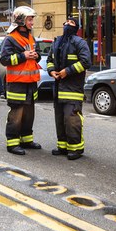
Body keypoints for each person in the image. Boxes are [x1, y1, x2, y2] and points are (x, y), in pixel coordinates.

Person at [47, 16, 91, 160]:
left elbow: (86, 62)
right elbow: (50, 60)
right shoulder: (57, 42)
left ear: (76, 27)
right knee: (60, 119)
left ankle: (76, 148)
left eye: (71, 22)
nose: (67, 24)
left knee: (72, 119)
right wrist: (51, 70)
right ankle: (62, 146)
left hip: (73, 88)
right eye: (66, 21)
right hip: (58, 88)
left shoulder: (80, 43)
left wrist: (68, 71)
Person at [0, 6, 41, 155]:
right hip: (17, 83)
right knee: (16, 113)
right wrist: (23, 56)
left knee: (29, 114)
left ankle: (26, 140)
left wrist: (37, 55)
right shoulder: (10, 38)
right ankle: (12, 143)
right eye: (30, 19)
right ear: (22, 21)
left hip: (30, 82)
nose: (32, 22)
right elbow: (4, 60)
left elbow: (37, 54)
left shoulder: (31, 37)